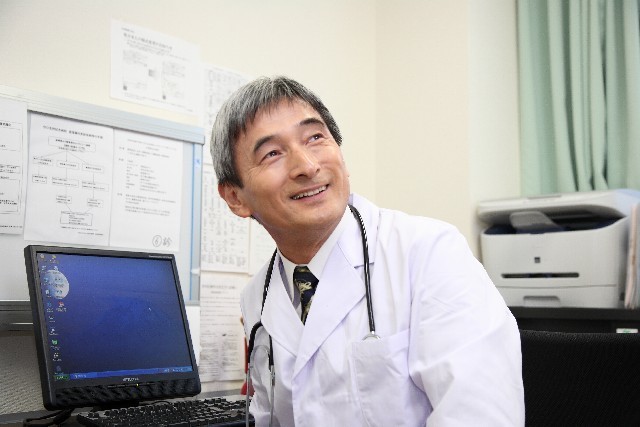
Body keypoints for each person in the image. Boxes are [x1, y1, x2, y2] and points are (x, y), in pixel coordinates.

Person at [211, 76, 525, 426]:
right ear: (235, 198)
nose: (307, 166)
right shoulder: (258, 296)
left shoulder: (429, 253)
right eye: (272, 154)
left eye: (315, 138)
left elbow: (481, 416)